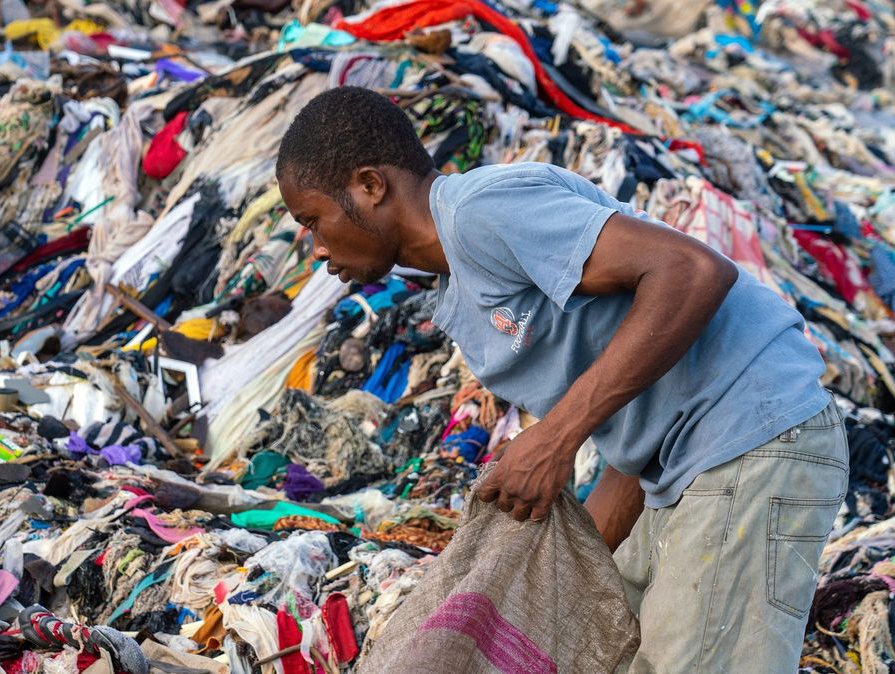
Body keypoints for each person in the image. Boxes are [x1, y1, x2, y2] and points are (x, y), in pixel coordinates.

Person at [276, 86, 847, 673]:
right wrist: (556, 563)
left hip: (754, 434)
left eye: (312, 220)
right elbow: (641, 412)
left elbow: (691, 270)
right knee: (597, 643)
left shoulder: (481, 211)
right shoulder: (458, 289)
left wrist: (554, 440)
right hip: (688, 466)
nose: (317, 247)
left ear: (370, 186)